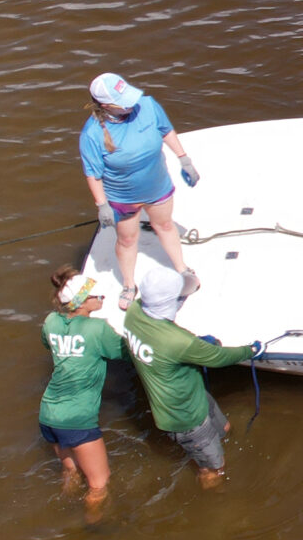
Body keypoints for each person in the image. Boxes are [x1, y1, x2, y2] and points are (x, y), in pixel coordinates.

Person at [119, 250, 257, 488]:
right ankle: (213, 508)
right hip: (186, 419)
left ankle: (217, 445)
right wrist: (251, 350)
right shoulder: (179, 342)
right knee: (214, 468)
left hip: (192, 396)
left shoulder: (133, 312)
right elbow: (219, 357)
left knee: (224, 428)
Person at [79, 72, 200, 295]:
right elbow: (93, 174)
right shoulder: (92, 133)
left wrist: (184, 159)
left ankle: (182, 269)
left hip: (157, 186)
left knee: (164, 225)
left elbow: (166, 131)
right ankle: (128, 284)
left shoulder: (148, 105)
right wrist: (102, 205)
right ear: (106, 105)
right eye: (123, 102)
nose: (132, 104)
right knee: (127, 239)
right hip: (123, 197)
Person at [38, 265, 125, 512]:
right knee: (99, 484)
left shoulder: (51, 321)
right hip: (77, 418)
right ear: (81, 303)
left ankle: (63, 512)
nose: (101, 298)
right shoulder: (97, 329)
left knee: (71, 470)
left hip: (49, 413)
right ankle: (91, 531)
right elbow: (129, 353)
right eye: (96, 295)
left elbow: (48, 343)